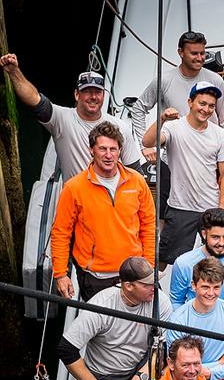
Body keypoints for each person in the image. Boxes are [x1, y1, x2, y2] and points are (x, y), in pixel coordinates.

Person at [57, 257, 171, 380]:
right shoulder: (101, 306)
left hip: (145, 366)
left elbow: (163, 345)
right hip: (110, 378)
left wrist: (141, 377)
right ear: (128, 286)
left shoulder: (160, 302)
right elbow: (66, 348)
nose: (154, 287)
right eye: (147, 285)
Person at [130, 31, 224, 215]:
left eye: (202, 53)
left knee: (210, 213)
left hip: (208, 160)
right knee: (166, 215)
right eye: (194, 53)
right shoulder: (164, 80)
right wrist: (144, 147)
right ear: (180, 52)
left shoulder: (215, 80)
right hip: (173, 162)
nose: (200, 58)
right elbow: (138, 109)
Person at [51, 122, 155, 301]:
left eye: (113, 149)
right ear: (91, 150)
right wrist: (61, 274)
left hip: (135, 273)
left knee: (138, 326)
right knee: (102, 328)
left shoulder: (137, 181)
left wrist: (148, 266)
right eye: (102, 149)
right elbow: (61, 232)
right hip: (96, 278)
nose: (108, 155)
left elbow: (149, 226)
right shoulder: (74, 188)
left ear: (120, 150)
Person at [0, 53, 140, 179]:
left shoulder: (121, 127)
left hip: (111, 203)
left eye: (97, 92)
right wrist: (14, 72)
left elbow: (135, 173)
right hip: (75, 202)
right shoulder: (61, 119)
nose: (93, 97)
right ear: (76, 94)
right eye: (87, 91)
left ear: (104, 95)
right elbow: (34, 100)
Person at [142, 81, 224, 267]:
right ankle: (159, 294)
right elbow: (148, 142)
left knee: (213, 262)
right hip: (180, 208)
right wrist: (162, 119)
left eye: (211, 106)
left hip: (209, 208)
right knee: (163, 261)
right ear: (190, 102)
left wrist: (221, 210)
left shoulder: (220, 135)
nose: (206, 109)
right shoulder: (173, 128)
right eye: (202, 103)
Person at [170, 208, 224, 309]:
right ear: (204, 234)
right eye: (215, 237)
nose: (221, 243)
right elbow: (176, 302)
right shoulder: (183, 263)